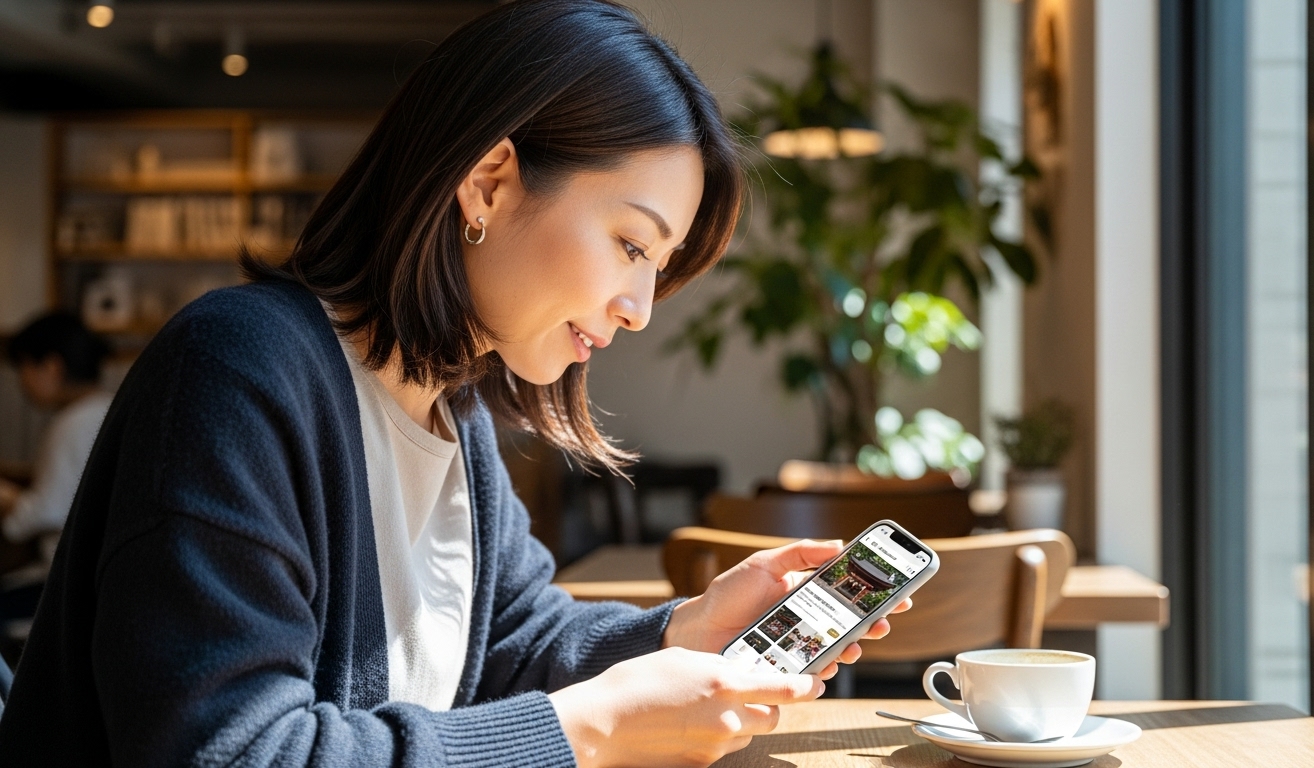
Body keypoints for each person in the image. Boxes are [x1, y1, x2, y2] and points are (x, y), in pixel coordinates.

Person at [0, 2, 910, 766]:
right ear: (488, 182)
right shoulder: (237, 372)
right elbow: (233, 751)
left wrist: (685, 629)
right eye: (632, 245)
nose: (639, 307)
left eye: (658, 266)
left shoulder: (451, 409)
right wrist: (586, 733)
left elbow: (516, 642)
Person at [0, 312, 112, 563]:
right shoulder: (105, 408)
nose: (22, 382)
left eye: (24, 368)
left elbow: (49, 512)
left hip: (66, 582)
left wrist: (7, 497)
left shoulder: (73, 423)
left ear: (52, 367)